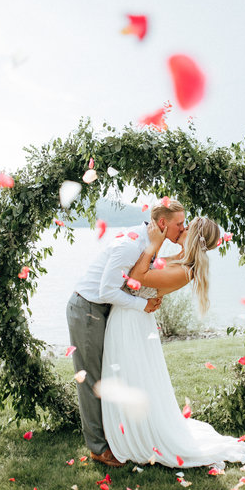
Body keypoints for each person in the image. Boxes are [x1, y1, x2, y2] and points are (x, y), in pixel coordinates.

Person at [100, 216, 245, 469]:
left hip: (132, 322)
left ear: (194, 235)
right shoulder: (181, 260)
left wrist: (153, 243)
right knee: (129, 377)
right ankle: (124, 430)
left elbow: (137, 276)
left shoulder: (185, 270)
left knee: (131, 378)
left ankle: (135, 435)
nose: (181, 228)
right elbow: (146, 267)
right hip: (130, 318)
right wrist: (156, 244)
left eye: (186, 227)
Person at [66, 199, 186, 467]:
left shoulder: (148, 243)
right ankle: (97, 447)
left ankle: (112, 435)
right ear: (163, 223)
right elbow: (107, 290)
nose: (183, 227)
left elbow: (141, 276)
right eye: (180, 224)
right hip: (88, 310)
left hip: (105, 310)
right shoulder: (130, 245)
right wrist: (144, 304)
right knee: (92, 379)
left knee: (109, 375)